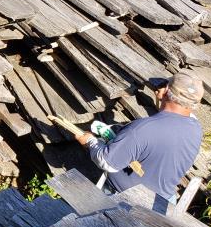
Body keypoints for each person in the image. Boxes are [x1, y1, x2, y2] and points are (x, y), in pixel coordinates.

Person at [74, 71, 204, 202]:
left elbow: (107, 162)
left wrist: (90, 141)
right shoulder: (195, 128)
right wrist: (164, 96)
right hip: (163, 202)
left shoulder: (142, 129)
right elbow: (172, 118)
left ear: (165, 91)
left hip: (127, 202)